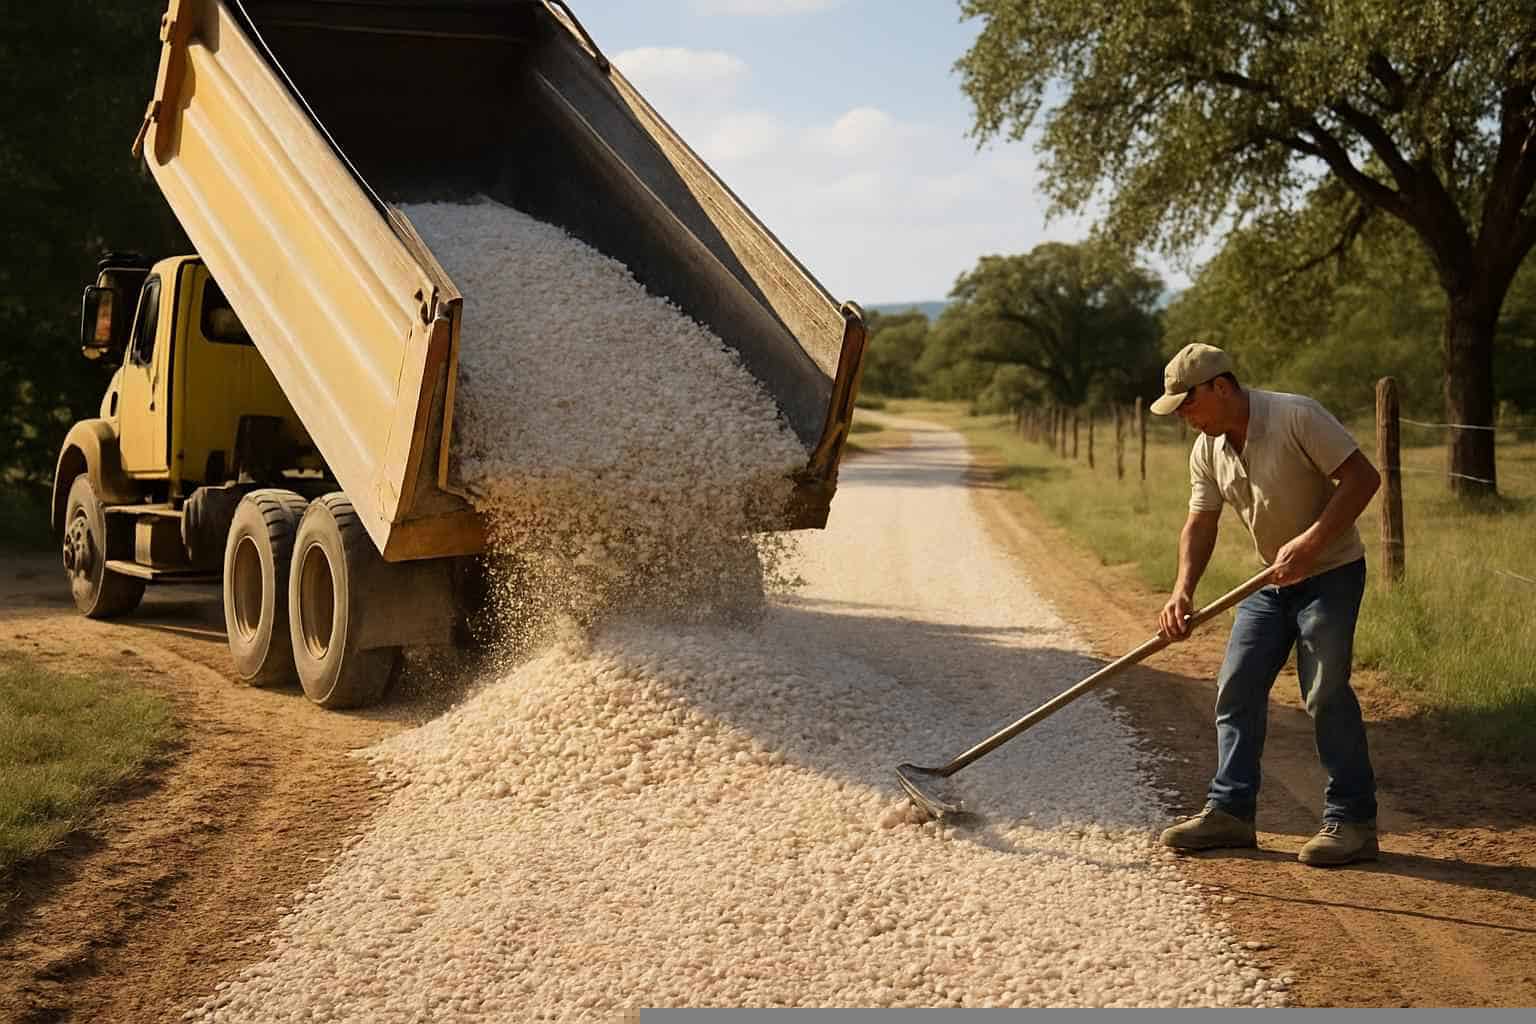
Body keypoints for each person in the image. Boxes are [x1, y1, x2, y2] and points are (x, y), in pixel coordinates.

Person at [1148, 342, 1382, 866]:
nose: (1184, 417)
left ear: (1221, 387)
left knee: (1323, 690)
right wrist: (1182, 588)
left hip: (1332, 573)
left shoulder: (1296, 415)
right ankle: (1230, 813)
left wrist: (1313, 542)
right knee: (1237, 684)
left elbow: (1364, 479)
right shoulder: (1207, 448)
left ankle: (1353, 819)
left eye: (1188, 404)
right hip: (1270, 583)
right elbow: (1201, 522)